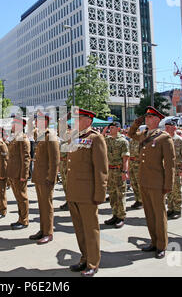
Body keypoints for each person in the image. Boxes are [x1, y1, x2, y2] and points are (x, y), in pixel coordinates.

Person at [128, 106, 175, 259]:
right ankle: (153, 241)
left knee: (159, 214)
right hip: (144, 180)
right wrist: (137, 122)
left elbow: (170, 163)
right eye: (145, 117)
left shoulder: (164, 137)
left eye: (149, 117)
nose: (146, 119)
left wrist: (168, 184)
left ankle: (161, 245)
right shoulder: (144, 135)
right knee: (149, 214)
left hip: (157, 182)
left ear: (157, 119)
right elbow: (131, 134)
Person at [66, 108, 108, 277]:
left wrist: (100, 194)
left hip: (88, 192)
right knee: (79, 229)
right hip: (74, 191)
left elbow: (101, 169)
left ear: (88, 120)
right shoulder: (75, 137)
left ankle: (93, 262)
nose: (74, 121)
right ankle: (84, 258)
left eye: (78, 118)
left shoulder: (95, 138)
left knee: (90, 229)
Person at [29, 112, 60, 245]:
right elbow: (30, 130)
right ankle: (42, 230)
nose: (36, 123)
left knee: (47, 205)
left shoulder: (50, 135)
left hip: (47, 177)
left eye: (38, 121)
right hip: (39, 176)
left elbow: (55, 160)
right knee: (41, 205)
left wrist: (51, 177)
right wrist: (31, 118)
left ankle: (48, 232)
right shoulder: (41, 135)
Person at [102, 122, 129, 229]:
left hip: (119, 170)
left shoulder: (123, 141)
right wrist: (104, 130)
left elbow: (125, 158)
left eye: (112, 127)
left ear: (118, 128)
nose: (110, 129)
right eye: (110, 128)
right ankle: (114, 214)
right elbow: (99, 138)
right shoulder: (108, 140)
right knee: (112, 194)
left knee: (120, 194)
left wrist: (125, 172)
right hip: (110, 171)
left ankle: (121, 217)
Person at [6, 117, 31, 230]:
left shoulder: (23, 139)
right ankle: (20, 218)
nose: (11, 126)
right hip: (13, 173)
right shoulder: (16, 138)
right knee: (18, 197)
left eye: (13, 124)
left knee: (22, 197)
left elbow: (26, 158)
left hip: (19, 174)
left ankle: (24, 220)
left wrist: (24, 175)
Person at [165, 120, 182, 220]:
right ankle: (170, 209)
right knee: (169, 190)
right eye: (165, 126)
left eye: (168, 126)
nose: (166, 128)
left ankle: (177, 210)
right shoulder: (165, 139)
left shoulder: (179, 140)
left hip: (177, 168)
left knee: (177, 190)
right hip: (167, 169)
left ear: (174, 127)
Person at [128, 137, 143, 209]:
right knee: (133, 183)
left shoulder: (142, 141)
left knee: (139, 183)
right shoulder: (131, 141)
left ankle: (142, 201)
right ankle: (137, 199)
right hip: (131, 164)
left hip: (138, 164)